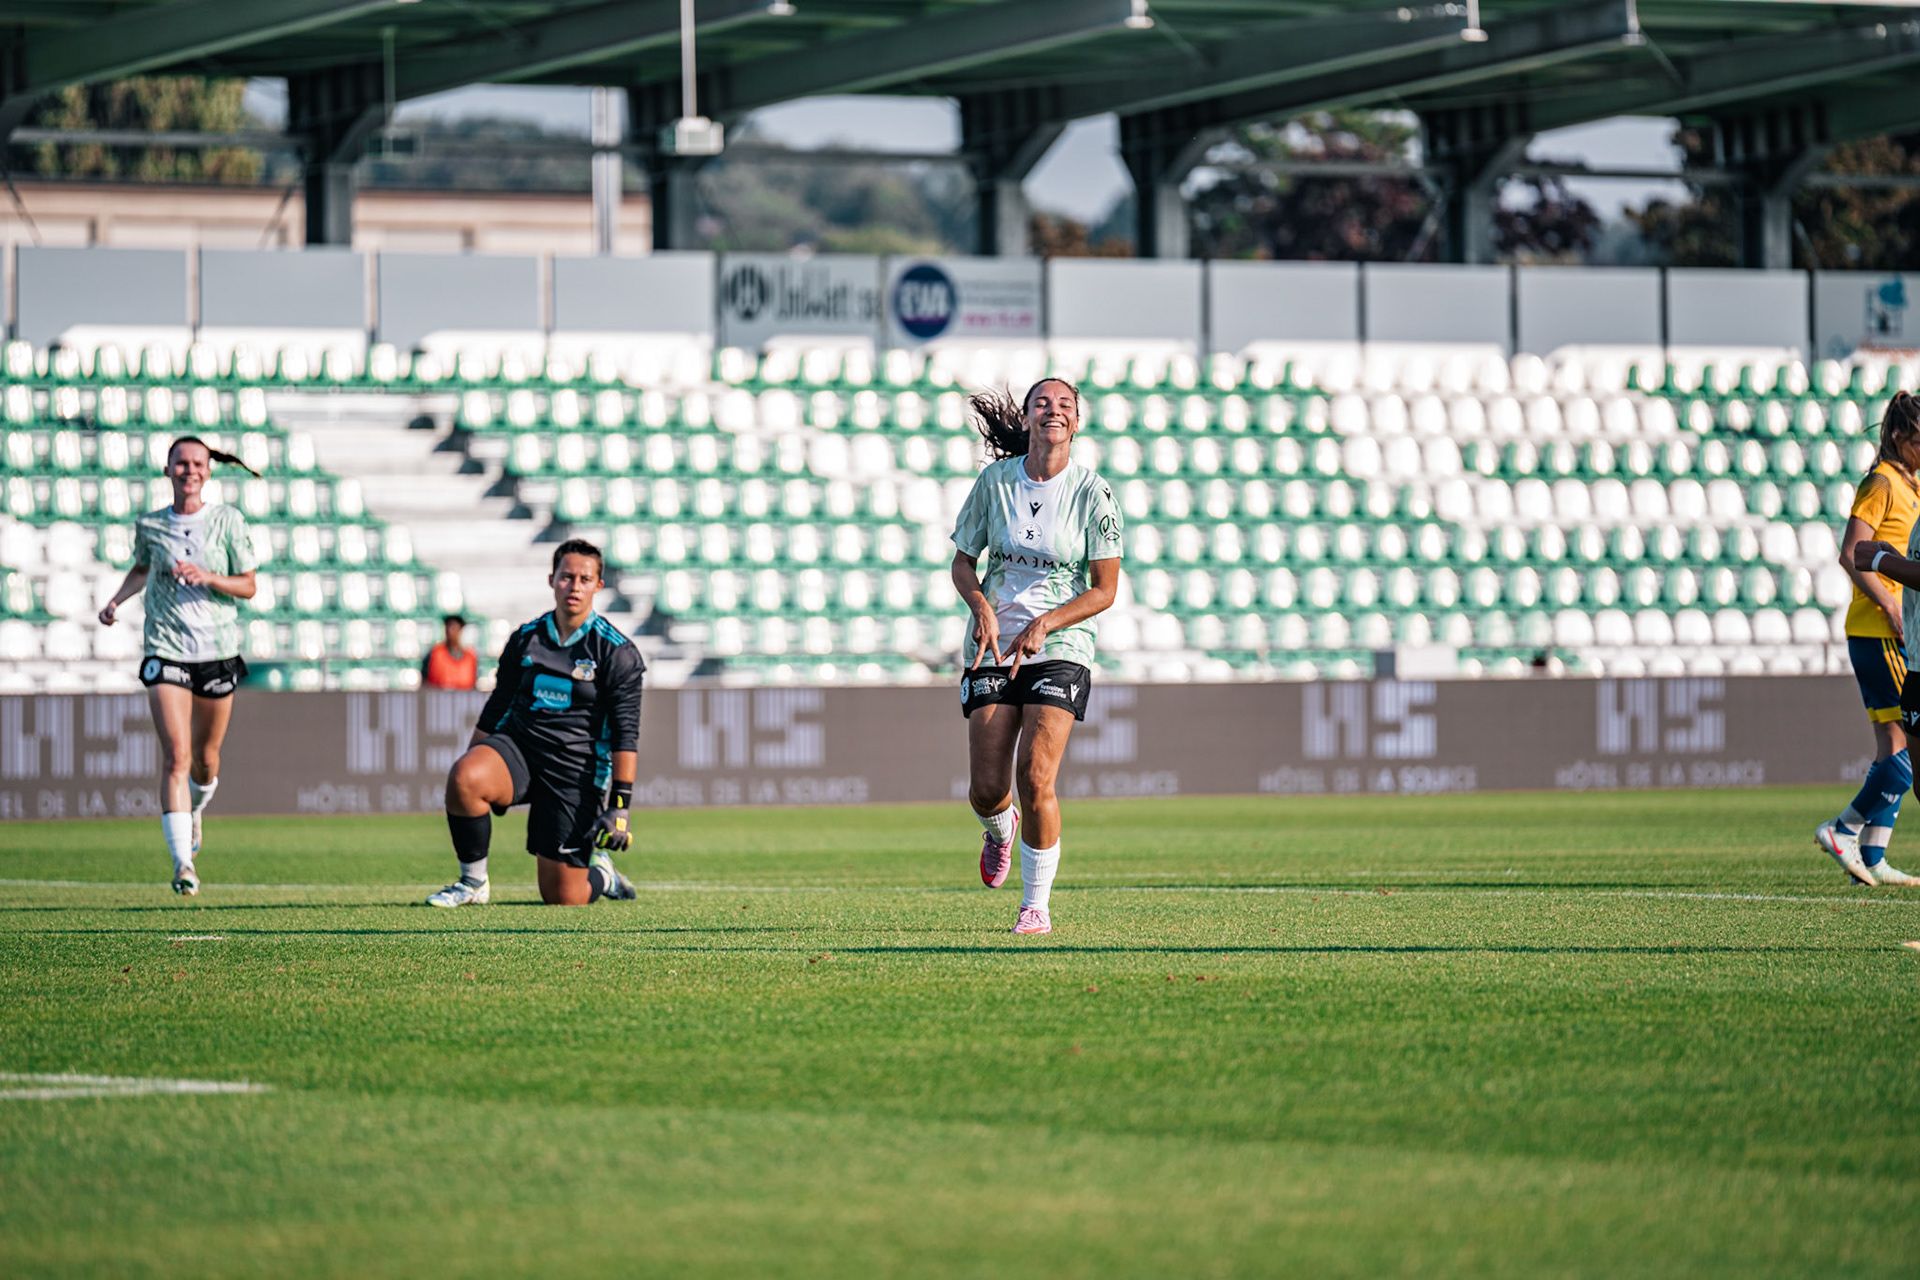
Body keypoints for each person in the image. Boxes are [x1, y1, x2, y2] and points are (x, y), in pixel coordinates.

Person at [951, 377, 1122, 935]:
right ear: (1025, 418)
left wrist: (1047, 622)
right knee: (985, 788)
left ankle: (1035, 905)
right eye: (1042, 404)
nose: (1053, 411)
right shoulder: (994, 482)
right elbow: (962, 563)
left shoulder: (1094, 494)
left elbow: (1104, 590)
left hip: (1061, 646)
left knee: (1036, 773)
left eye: (1065, 405)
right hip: (995, 643)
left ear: (1078, 421)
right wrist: (980, 606)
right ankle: (1000, 831)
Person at [427, 538, 644, 907]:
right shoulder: (526, 639)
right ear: (551, 579)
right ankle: (473, 884)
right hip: (521, 750)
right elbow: (498, 706)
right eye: (566, 576)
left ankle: (602, 873)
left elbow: (626, 734)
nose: (574, 586)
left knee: (564, 897)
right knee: (465, 776)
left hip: (576, 771)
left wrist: (619, 807)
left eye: (584, 579)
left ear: (598, 586)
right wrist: (472, 763)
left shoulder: (617, 652)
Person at [97, 435, 261, 896]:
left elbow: (248, 586)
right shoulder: (151, 525)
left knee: (205, 762)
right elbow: (143, 568)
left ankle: (196, 810)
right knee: (177, 756)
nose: (189, 470)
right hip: (165, 648)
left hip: (217, 651)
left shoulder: (227, 521)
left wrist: (208, 576)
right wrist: (115, 601)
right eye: (180, 463)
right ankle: (182, 864)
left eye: (197, 463)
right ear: (167, 470)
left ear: (209, 471)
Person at [1822, 391, 1920, 887]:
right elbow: (1851, 551)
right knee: (1905, 752)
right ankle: (1844, 829)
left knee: (1894, 744)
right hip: (1879, 629)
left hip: (1881, 630)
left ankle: (1874, 854)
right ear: (1901, 437)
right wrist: (1889, 604)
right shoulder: (1882, 481)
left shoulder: (1910, 483)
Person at [421, 613, 478, 689]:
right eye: (448, 627)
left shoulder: (470, 657)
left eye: (454, 627)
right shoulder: (435, 653)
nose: (450, 631)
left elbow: (474, 683)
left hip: (464, 698)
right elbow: (424, 680)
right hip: (438, 698)